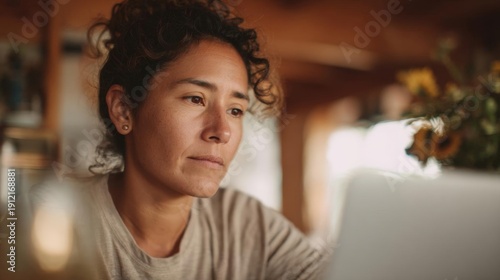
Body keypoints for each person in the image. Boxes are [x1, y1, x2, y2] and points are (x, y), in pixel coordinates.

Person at [32, 0, 330, 279]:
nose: (222, 131)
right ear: (124, 110)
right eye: (196, 99)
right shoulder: (53, 217)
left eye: (236, 110)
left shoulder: (246, 224)